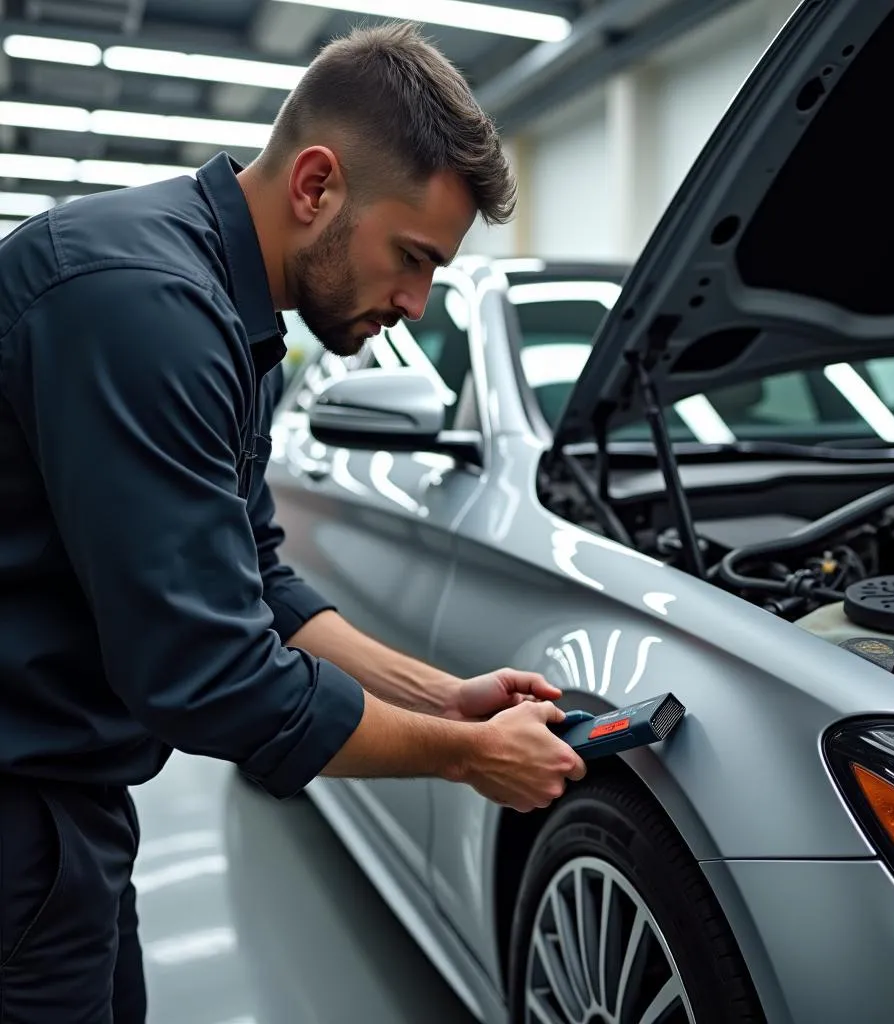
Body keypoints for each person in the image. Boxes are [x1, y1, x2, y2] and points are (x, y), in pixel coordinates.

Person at [0, 20, 586, 1023]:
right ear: (316, 185)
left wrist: (445, 697)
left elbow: (256, 578)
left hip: (67, 809)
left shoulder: (237, 320)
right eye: (411, 256)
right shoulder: (146, 308)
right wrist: (465, 757)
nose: (413, 300)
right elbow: (209, 672)